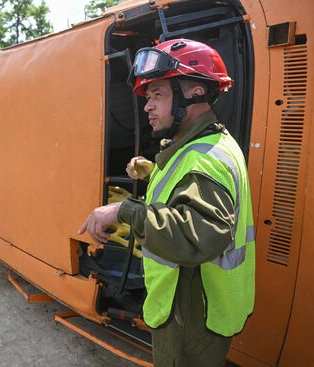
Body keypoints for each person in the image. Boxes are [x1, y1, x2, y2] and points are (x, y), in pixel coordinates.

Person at [78, 39, 255, 367]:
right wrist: (154, 171)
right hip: (199, 306)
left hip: (191, 315)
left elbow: (197, 236)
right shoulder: (211, 143)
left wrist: (122, 209)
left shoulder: (204, 159)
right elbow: (187, 190)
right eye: (148, 97)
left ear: (195, 94)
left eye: (157, 94)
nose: (147, 107)